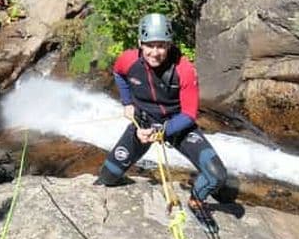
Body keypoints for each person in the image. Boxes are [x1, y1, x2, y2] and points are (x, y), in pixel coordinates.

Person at [95, 13, 228, 220]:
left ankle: (196, 199)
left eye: (161, 46)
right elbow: (118, 74)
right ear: (140, 43)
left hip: (177, 125)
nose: (155, 53)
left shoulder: (184, 70)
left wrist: (161, 131)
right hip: (143, 122)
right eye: (150, 45)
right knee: (108, 176)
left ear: (169, 45)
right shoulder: (128, 60)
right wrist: (127, 102)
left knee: (216, 176)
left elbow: (189, 114)